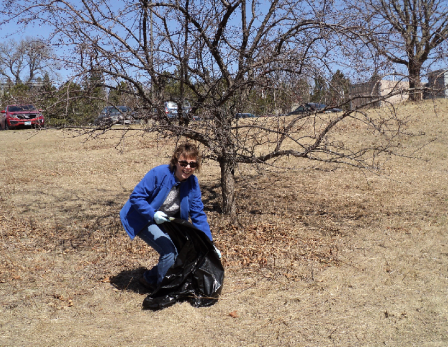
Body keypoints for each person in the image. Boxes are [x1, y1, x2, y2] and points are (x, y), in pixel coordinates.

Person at [120, 142, 220, 291]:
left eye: (192, 164)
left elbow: (198, 215)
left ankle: (149, 278)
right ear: (175, 161)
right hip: (142, 216)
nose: (187, 167)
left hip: (166, 220)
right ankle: (162, 290)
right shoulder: (159, 173)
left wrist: (209, 244)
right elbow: (136, 197)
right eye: (183, 163)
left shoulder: (192, 183)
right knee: (169, 251)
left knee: (184, 248)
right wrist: (152, 213)